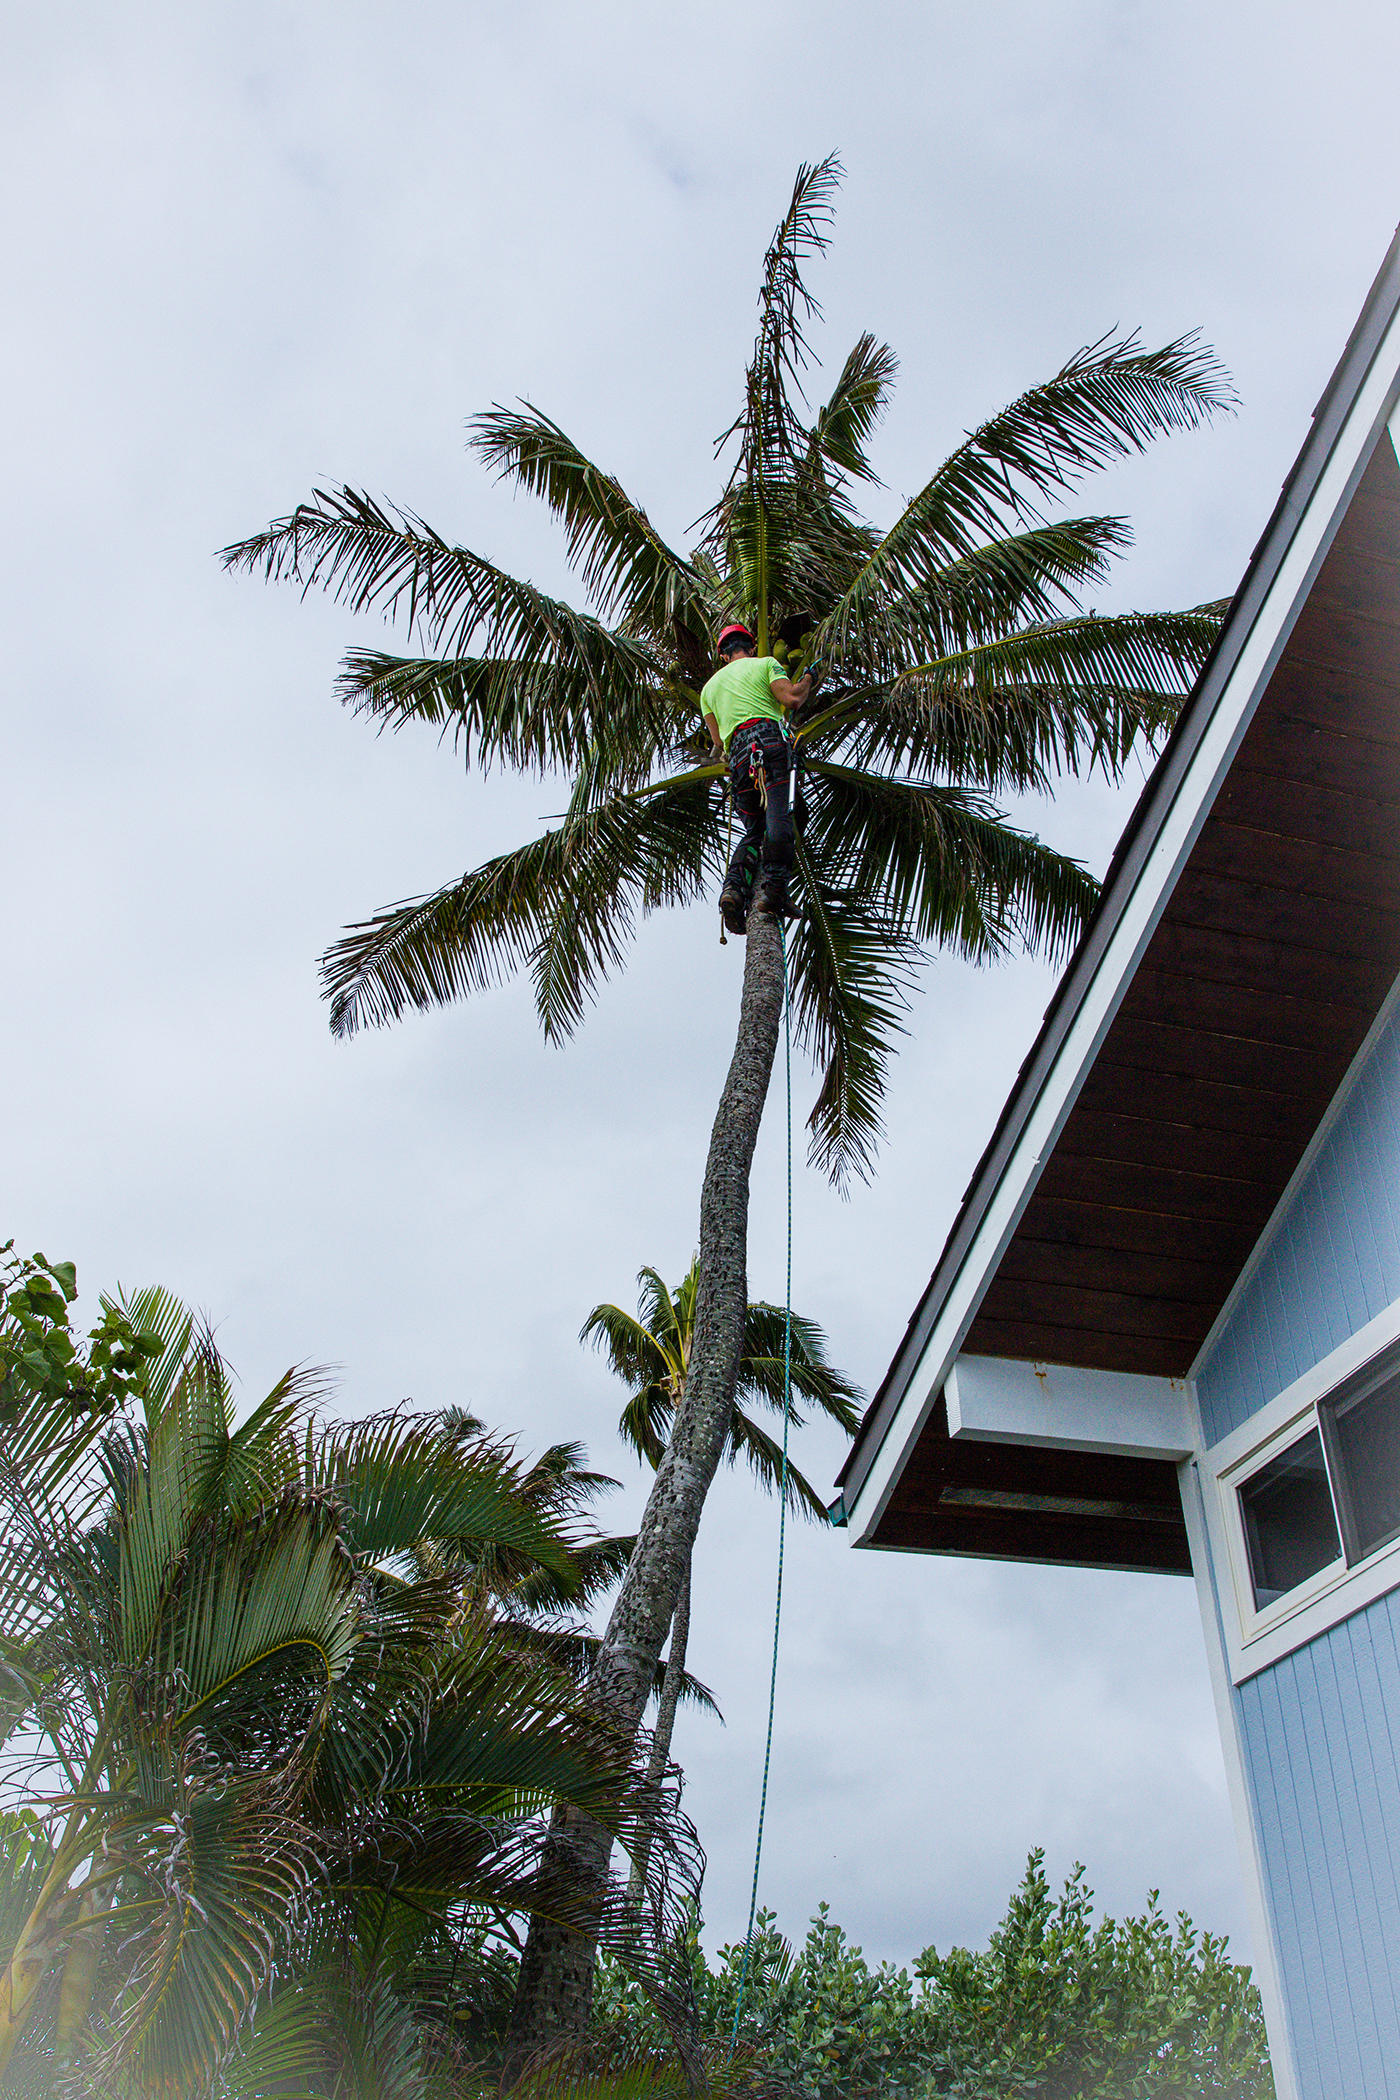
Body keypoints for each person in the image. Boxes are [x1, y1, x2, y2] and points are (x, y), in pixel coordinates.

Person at [700, 623, 811, 937]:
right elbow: (791, 699)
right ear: (750, 647)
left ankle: (734, 889)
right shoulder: (765, 664)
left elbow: (717, 740)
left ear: (723, 654)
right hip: (770, 747)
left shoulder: (708, 689)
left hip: (738, 760)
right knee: (786, 815)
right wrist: (807, 680)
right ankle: (774, 888)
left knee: (755, 831)